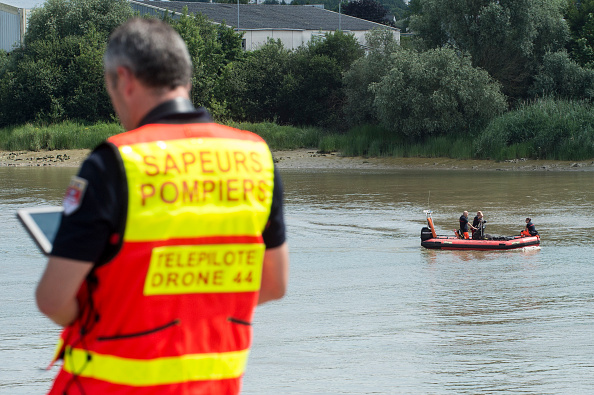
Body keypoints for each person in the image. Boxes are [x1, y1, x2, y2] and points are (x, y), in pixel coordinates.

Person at [35, 18, 289, 395]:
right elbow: (273, 284)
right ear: (184, 78)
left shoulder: (115, 162)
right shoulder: (255, 156)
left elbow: (53, 300)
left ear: (124, 78)